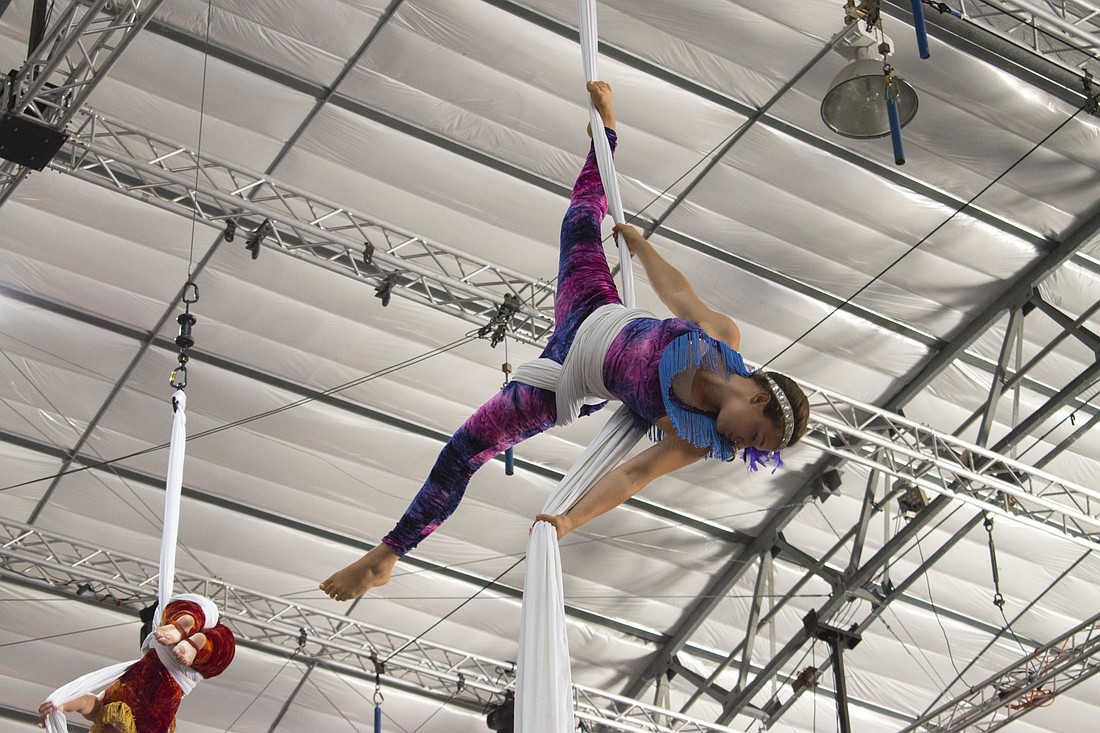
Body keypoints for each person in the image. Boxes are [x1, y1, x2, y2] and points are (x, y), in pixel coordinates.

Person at [320, 80, 809, 602]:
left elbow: (635, 473)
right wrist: (641, 248)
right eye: (755, 437)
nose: (741, 448)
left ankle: (386, 556)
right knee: (579, 220)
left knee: (466, 448)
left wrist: (569, 520)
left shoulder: (697, 436)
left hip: (565, 381)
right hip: (594, 308)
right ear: (758, 399)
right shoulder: (722, 337)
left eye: (753, 450)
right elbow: (679, 295)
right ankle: (607, 136)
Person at [38, 596, 236, 733]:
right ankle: (195, 641)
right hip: (183, 670)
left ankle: (184, 628)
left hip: (164, 655)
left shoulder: (101, 714)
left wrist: (59, 705)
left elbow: (85, 702)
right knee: (222, 646)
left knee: (184, 612)